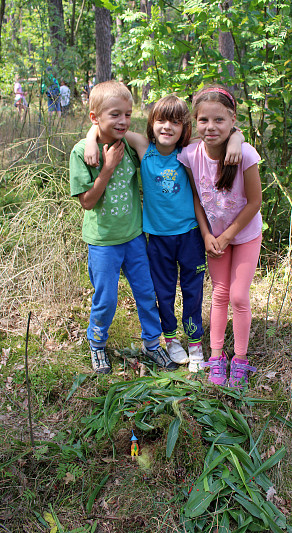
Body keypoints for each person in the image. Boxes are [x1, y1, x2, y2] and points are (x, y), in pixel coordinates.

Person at [84, 95, 244, 372]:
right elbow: (105, 128)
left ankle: (195, 343)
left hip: (190, 235)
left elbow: (223, 131)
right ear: (151, 123)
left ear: (185, 128)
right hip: (157, 239)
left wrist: (237, 139)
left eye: (175, 122)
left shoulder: (190, 151)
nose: (167, 127)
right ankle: (170, 339)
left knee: (193, 291)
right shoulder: (144, 148)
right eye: (161, 120)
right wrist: (89, 139)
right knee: (164, 291)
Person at [69, 81, 179, 374]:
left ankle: (152, 345)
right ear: (94, 117)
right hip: (103, 241)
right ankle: (97, 344)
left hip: (133, 238)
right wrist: (105, 168)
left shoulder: (127, 145)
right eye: (115, 114)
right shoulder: (81, 152)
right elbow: (87, 203)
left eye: (128, 114)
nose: (123, 121)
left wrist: (98, 135)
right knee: (105, 298)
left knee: (146, 291)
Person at [177, 86, 262, 388]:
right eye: (203, 120)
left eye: (219, 121)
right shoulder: (190, 154)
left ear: (232, 120)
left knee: (239, 296)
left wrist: (226, 236)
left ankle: (239, 359)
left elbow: (254, 203)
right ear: (195, 122)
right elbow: (198, 200)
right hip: (213, 238)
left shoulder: (245, 154)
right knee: (219, 294)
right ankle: (216, 357)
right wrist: (205, 233)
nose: (210, 127)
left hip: (244, 234)